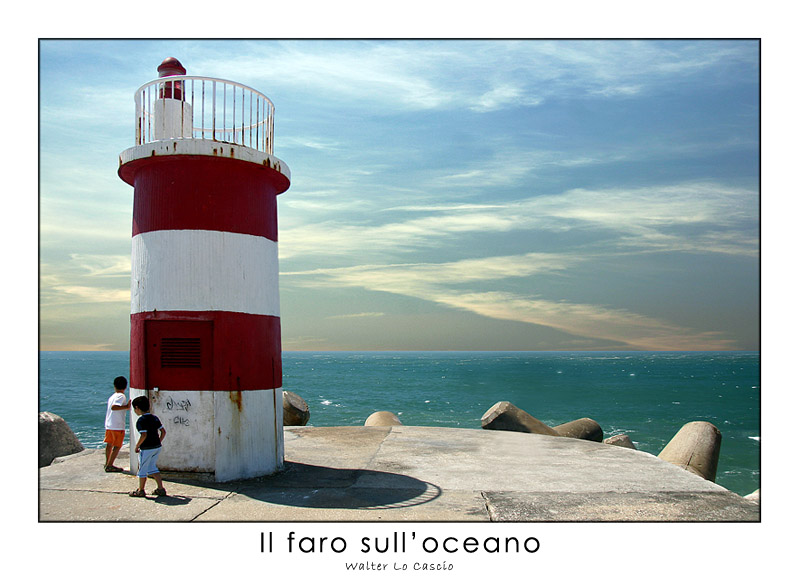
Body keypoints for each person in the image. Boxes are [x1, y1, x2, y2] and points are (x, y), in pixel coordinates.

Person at [129, 396, 167, 497]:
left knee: (142, 469)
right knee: (152, 467)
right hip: (157, 447)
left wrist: (137, 446)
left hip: (146, 448)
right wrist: (158, 441)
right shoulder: (154, 418)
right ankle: (160, 488)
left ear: (137, 408)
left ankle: (141, 490)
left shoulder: (141, 421)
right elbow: (163, 432)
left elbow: (144, 435)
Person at [104, 376, 130, 472]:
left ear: (114, 386)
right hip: (117, 425)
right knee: (117, 446)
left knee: (109, 444)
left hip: (109, 424)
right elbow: (115, 407)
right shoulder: (121, 396)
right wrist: (126, 406)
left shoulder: (113, 396)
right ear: (125, 387)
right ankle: (110, 465)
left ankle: (107, 463)